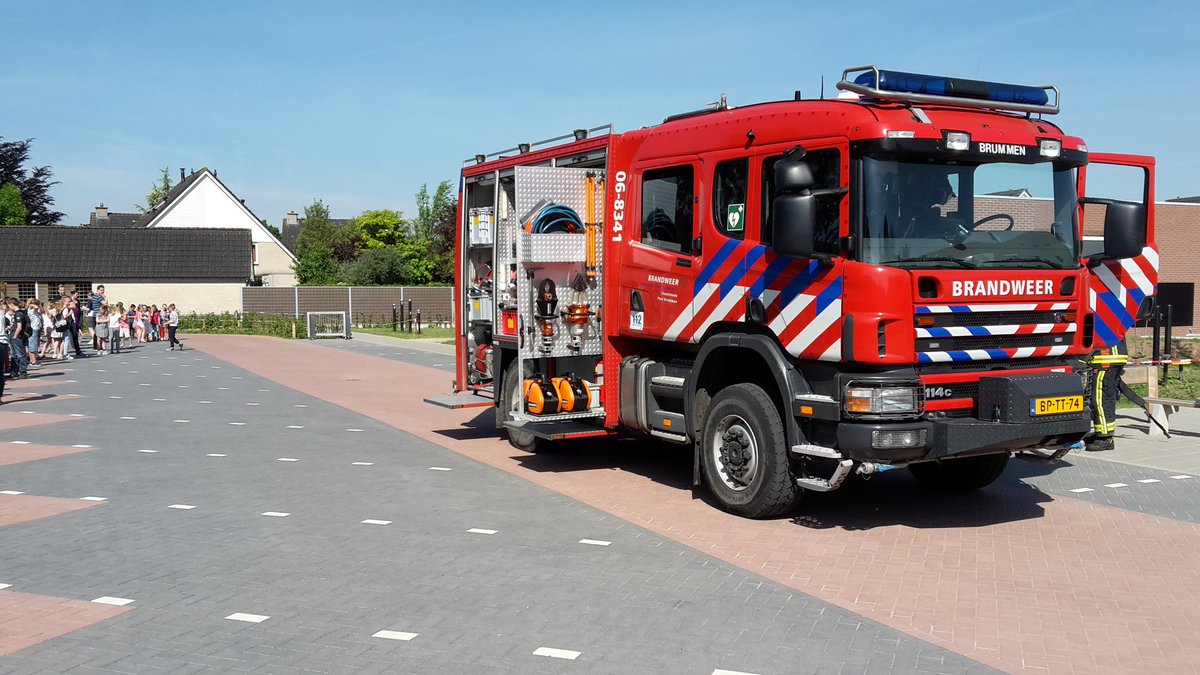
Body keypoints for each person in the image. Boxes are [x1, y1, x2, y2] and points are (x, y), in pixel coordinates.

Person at [1084, 338, 1129, 452]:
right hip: (1110, 358)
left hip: (1105, 359)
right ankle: (1101, 434)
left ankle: (1106, 439)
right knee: (1102, 398)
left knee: (1101, 400)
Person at [5, 298, 29, 380]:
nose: (8, 308)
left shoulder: (18, 314)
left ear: (12, 304)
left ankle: (23, 372)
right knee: (14, 355)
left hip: (17, 337)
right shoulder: (19, 313)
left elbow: (19, 326)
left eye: (9, 305)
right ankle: (14, 372)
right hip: (13, 336)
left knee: (20, 354)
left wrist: (15, 335)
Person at [26, 298, 42, 368]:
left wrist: (39, 305)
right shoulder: (30, 311)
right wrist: (34, 304)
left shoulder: (36, 312)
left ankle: (34, 359)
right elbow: (34, 306)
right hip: (33, 329)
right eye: (36, 304)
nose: (37, 306)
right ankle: (33, 361)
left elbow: (41, 310)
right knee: (32, 345)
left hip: (38, 329)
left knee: (36, 345)